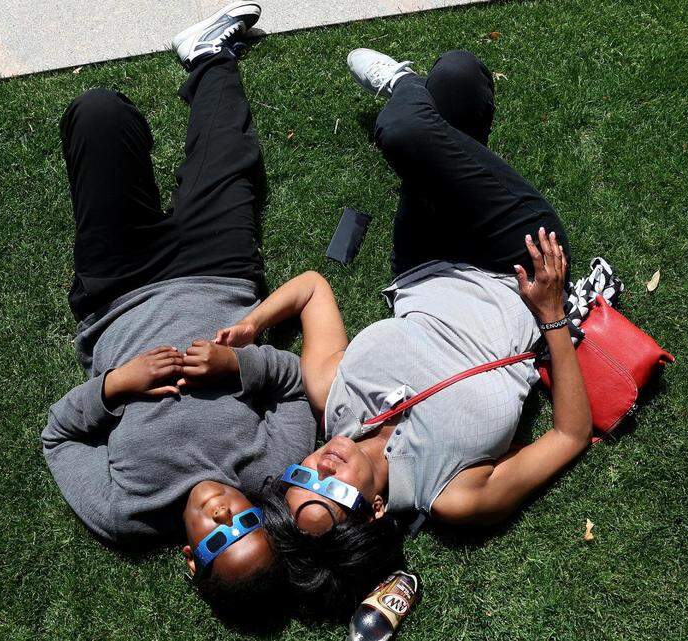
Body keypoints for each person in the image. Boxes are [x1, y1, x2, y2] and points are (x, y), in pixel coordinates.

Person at [215, 48, 593, 613]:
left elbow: (315, 287)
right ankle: (406, 90)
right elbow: (569, 435)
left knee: (453, 89)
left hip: (426, 257)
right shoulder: (454, 497)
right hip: (516, 266)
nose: (323, 464)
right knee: (422, 113)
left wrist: (255, 322)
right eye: (333, 490)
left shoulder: (331, 397)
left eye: (304, 472)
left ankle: (435, 123)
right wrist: (552, 314)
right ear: (370, 511)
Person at [40, 1, 315, 612]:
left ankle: (122, 119)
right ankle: (207, 57)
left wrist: (116, 386)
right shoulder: (274, 470)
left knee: (98, 115)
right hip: (219, 271)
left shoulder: (127, 514)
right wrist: (237, 370)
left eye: (218, 540)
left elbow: (59, 438)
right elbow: (298, 389)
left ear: (192, 560)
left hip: (118, 292)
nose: (223, 514)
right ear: (261, 518)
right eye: (244, 525)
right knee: (231, 158)